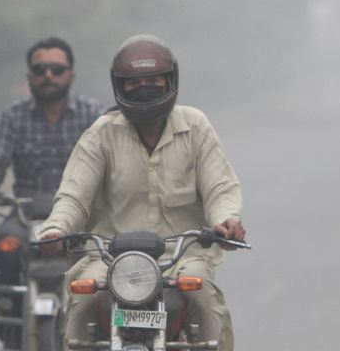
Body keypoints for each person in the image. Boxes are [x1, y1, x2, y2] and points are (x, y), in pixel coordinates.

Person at [36, 34, 246, 351]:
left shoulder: (196, 126)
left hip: (182, 256)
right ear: (119, 86)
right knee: (81, 300)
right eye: (133, 82)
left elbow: (220, 187)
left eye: (152, 80)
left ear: (170, 81)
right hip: (109, 258)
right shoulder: (101, 133)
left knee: (204, 297)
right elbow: (74, 195)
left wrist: (227, 221)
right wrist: (56, 228)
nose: (143, 87)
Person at [0, 36, 103, 348]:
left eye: (57, 69)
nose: (48, 76)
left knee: (104, 258)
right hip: (24, 211)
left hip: (81, 217)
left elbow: (111, 161)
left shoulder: (94, 116)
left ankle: (99, 331)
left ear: (71, 74)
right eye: (40, 69)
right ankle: (9, 325)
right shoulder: (13, 117)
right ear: (29, 76)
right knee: (7, 245)